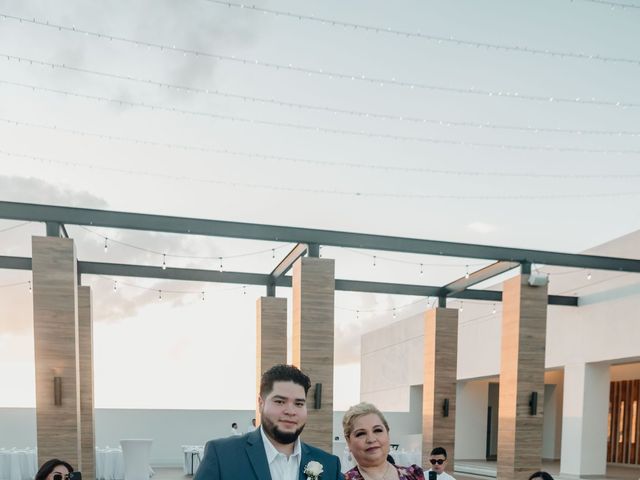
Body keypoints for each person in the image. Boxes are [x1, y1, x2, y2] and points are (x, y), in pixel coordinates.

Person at [194, 364, 342, 480]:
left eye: (298, 404)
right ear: (261, 403)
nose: (290, 411)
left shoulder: (329, 465)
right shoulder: (222, 456)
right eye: (280, 401)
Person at [343, 402, 423, 480]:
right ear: (348, 442)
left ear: (388, 434)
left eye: (377, 430)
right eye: (361, 434)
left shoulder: (413, 475)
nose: (371, 439)